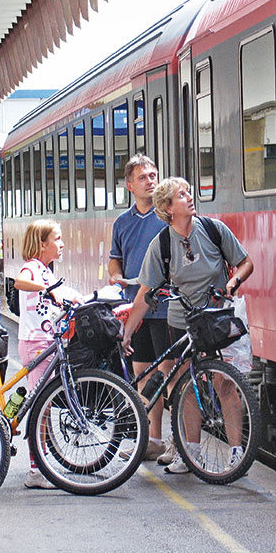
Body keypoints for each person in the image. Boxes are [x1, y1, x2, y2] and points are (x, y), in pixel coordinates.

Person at [122, 177, 254, 474]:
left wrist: (234, 281)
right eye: (182, 196)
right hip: (182, 321)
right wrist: (128, 331)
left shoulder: (213, 229)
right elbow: (145, 293)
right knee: (185, 387)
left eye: (188, 193)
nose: (190, 198)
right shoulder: (163, 245)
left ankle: (237, 454)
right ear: (168, 208)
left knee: (226, 384)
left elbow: (246, 262)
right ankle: (190, 453)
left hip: (218, 316)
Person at [108, 154, 173, 462]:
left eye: (154, 175)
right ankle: (152, 438)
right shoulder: (123, 222)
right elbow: (115, 257)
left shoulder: (167, 217)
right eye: (144, 177)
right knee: (144, 375)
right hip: (135, 305)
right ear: (129, 185)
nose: (151, 180)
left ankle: (175, 442)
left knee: (169, 376)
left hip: (164, 308)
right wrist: (115, 273)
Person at [15, 218, 81, 489]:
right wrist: (47, 291)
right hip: (36, 343)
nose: (62, 244)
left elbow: (64, 292)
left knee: (42, 402)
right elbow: (20, 282)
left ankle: (39, 460)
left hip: (45, 342)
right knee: (40, 407)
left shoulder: (46, 270)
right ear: (42, 244)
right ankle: (35, 471)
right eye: (57, 239)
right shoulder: (32, 268)